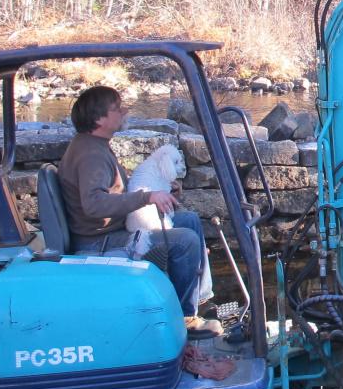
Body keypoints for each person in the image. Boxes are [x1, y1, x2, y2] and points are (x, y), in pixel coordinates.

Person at [58, 85, 221, 337]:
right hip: (98, 242)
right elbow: (94, 204)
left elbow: (113, 193)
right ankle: (184, 319)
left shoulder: (95, 145)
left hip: (110, 228)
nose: (124, 111)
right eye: (117, 108)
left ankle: (197, 299)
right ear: (99, 119)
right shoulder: (91, 154)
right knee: (185, 241)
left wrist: (160, 190)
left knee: (188, 220)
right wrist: (147, 197)